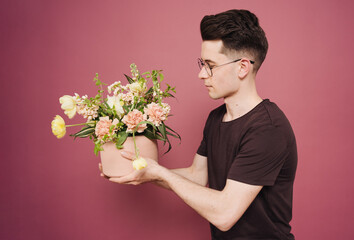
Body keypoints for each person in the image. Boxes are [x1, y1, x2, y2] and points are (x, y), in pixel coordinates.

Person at [100, 9, 297, 240]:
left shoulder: (268, 129)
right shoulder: (216, 119)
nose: (202, 74)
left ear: (243, 67)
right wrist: (144, 173)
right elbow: (196, 176)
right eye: (202, 63)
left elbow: (225, 214)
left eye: (210, 65)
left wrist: (159, 172)